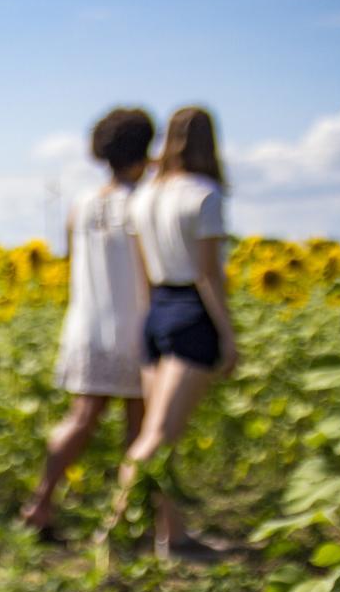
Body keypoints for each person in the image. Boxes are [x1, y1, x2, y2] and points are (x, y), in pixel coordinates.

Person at [22, 107, 154, 539]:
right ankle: (128, 519)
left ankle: (40, 503)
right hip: (136, 325)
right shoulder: (146, 202)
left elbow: (73, 261)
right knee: (140, 429)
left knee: (80, 418)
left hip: (87, 325)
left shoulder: (82, 204)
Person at [117, 105, 237, 560]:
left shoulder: (145, 195)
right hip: (192, 311)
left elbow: (143, 268)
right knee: (158, 437)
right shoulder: (205, 194)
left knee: (157, 432)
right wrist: (226, 335)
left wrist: (149, 321)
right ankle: (111, 532)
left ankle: (175, 537)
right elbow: (209, 275)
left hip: (158, 311)